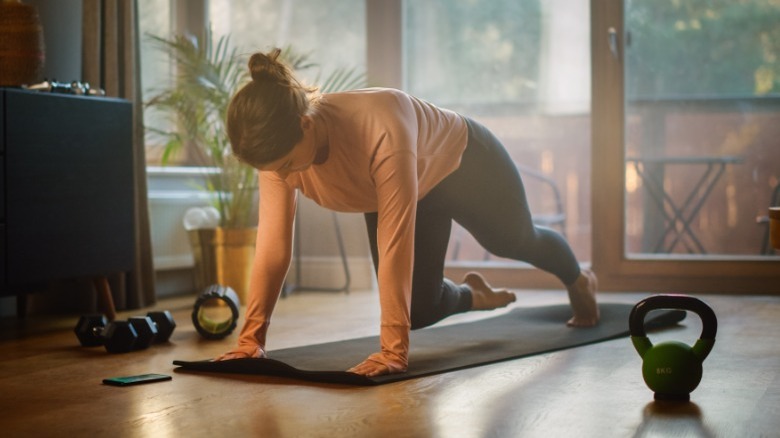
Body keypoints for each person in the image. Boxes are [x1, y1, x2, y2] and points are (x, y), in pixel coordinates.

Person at [216, 48, 599, 377]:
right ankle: (473, 295)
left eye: (285, 164)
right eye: (273, 169)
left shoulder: (379, 123)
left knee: (515, 240)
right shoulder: (276, 153)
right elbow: (272, 245)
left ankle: (579, 278)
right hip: (402, 189)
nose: (281, 176)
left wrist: (393, 351)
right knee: (416, 309)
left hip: (464, 163)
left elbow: (395, 239)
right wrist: (251, 341)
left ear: (304, 125)